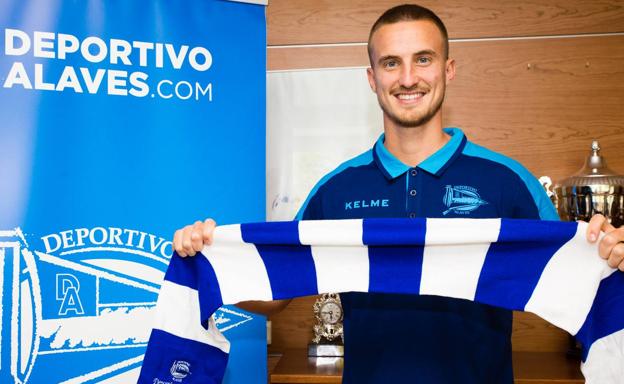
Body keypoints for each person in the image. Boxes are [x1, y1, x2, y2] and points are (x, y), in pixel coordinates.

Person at [173, 4, 624, 383]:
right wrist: (210, 260)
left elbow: (575, 280)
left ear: (448, 69)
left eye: (423, 59)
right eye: (391, 63)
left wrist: (608, 254)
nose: (408, 78)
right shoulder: (336, 190)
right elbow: (276, 296)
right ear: (372, 78)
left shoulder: (506, 179)